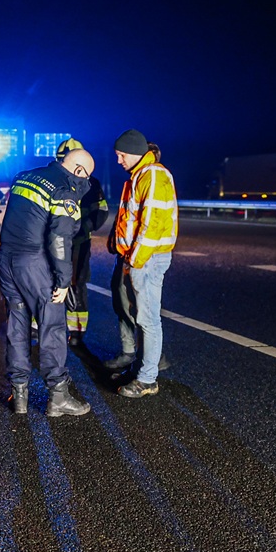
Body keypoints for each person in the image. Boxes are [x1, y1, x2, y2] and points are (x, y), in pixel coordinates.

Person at [0, 147, 95, 416]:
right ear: (78, 170)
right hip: (35, 263)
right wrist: (63, 281)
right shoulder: (63, 191)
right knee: (52, 326)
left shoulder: (25, 176)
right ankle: (58, 396)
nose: (85, 183)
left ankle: (19, 395)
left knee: (17, 325)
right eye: (86, 177)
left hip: (7, 260)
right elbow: (59, 239)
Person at [104, 130, 178, 398]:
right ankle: (141, 369)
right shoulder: (139, 175)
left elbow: (152, 224)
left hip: (146, 258)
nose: (119, 160)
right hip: (136, 257)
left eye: (121, 155)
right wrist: (118, 246)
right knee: (139, 315)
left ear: (135, 152)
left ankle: (148, 380)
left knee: (148, 318)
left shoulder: (153, 175)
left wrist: (134, 260)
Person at [55, 138, 109, 348]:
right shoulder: (53, 180)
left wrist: (82, 227)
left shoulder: (92, 184)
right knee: (46, 281)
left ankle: (77, 331)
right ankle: (37, 327)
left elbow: (101, 211)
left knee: (77, 285)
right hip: (53, 242)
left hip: (79, 243)